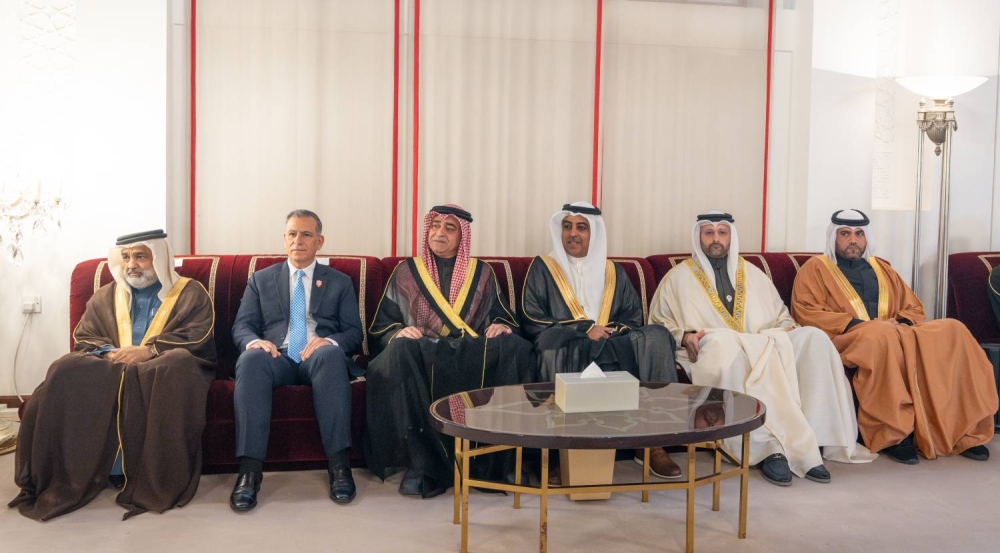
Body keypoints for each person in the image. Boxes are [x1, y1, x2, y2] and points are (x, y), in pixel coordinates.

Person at [649, 212, 875, 486]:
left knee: (814, 338)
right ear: (698, 236)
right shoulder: (677, 278)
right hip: (713, 346)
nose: (716, 238)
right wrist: (684, 336)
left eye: (722, 232)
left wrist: (787, 329)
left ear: (731, 236)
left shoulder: (753, 273)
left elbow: (781, 316)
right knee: (725, 346)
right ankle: (767, 448)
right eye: (709, 232)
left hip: (765, 341)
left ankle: (815, 440)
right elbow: (659, 323)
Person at [9, 230, 216, 520]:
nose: (132, 264)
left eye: (141, 257)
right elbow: (86, 336)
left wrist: (149, 351)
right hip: (111, 364)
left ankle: (144, 476)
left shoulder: (191, 293)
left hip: (161, 364)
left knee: (173, 364)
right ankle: (81, 472)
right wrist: (110, 353)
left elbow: (197, 335)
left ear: (159, 258)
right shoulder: (106, 295)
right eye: (126, 257)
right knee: (65, 367)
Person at [792, 209, 997, 464]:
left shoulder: (882, 268)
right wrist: (863, 324)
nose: (853, 240)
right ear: (833, 237)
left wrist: (899, 321)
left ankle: (961, 431)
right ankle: (893, 434)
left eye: (859, 234)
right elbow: (807, 311)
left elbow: (913, 307)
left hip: (895, 331)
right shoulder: (815, 269)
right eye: (845, 234)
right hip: (849, 337)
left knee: (953, 330)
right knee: (880, 334)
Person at [366, 204, 535, 498]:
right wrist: (397, 332)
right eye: (435, 225)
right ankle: (423, 466)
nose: (439, 232)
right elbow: (384, 323)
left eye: (449, 227)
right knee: (400, 350)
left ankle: (499, 462)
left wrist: (501, 326)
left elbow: (501, 315)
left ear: (462, 236)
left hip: (471, 350)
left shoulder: (481, 272)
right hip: (423, 352)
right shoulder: (406, 271)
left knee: (515, 347)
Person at [521, 201, 679, 479]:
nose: (573, 233)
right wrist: (584, 329)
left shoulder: (613, 271)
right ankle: (559, 450)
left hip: (613, 341)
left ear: (593, 233)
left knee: (657, 336)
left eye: (581, 227)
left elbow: (633, 317)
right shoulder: (543, 267)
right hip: (568, 341)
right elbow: (532, 317)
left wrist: (606, 332)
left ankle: (652, 442)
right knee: (550, 346)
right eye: (567, 226)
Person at [230, 210, 364, 511]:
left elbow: (354, 332)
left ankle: (339, 468)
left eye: (306, 234)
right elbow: (242, 326)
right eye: (292, 234)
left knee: (330, 354)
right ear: (284, 238)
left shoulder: (340, 281)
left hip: (317, 357)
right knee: (251, 359)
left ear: (319, 241)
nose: (298, 241)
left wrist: (329, 341)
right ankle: (249, 473)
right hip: (276, 356)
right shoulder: (261, 280)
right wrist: (255, 342)